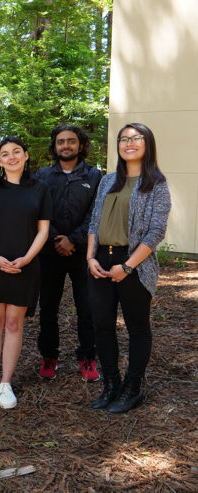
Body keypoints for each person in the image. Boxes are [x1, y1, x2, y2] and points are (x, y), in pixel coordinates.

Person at [87, 123, 171, 414]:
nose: (129, 143)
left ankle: (132, 388)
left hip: (135, 262)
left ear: (147, 144)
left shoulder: (155, 183)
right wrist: (90, 258)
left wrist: (127, 265)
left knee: (137, 327)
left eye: (136, 138)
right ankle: (111, 385)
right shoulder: (107, 180)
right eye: (124, 139)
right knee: (102, 325)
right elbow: (94, 222)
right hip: (101, 261)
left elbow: (155, 232)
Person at [0, 137, 51, 410]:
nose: (11, 157)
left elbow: (43, 229)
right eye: (5, 154)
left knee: (14, 324)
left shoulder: (40, 188)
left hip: (25, 265)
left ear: (26, 156)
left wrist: (27, 258)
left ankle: (6, 383)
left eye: (17, 151)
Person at [36, 125, 102, 382]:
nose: (66, 145)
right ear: (54, 146)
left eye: (71, 141)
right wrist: (56, 239)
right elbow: (38, 210)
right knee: (48, 308)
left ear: (80, 145)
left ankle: (87, 358)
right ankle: (49, 356)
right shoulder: (42, 175)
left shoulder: (95, 176)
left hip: (83, 253)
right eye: (61, 141)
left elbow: (96, 213)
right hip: (49, 252)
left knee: (87, 308)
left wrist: (73, 240)